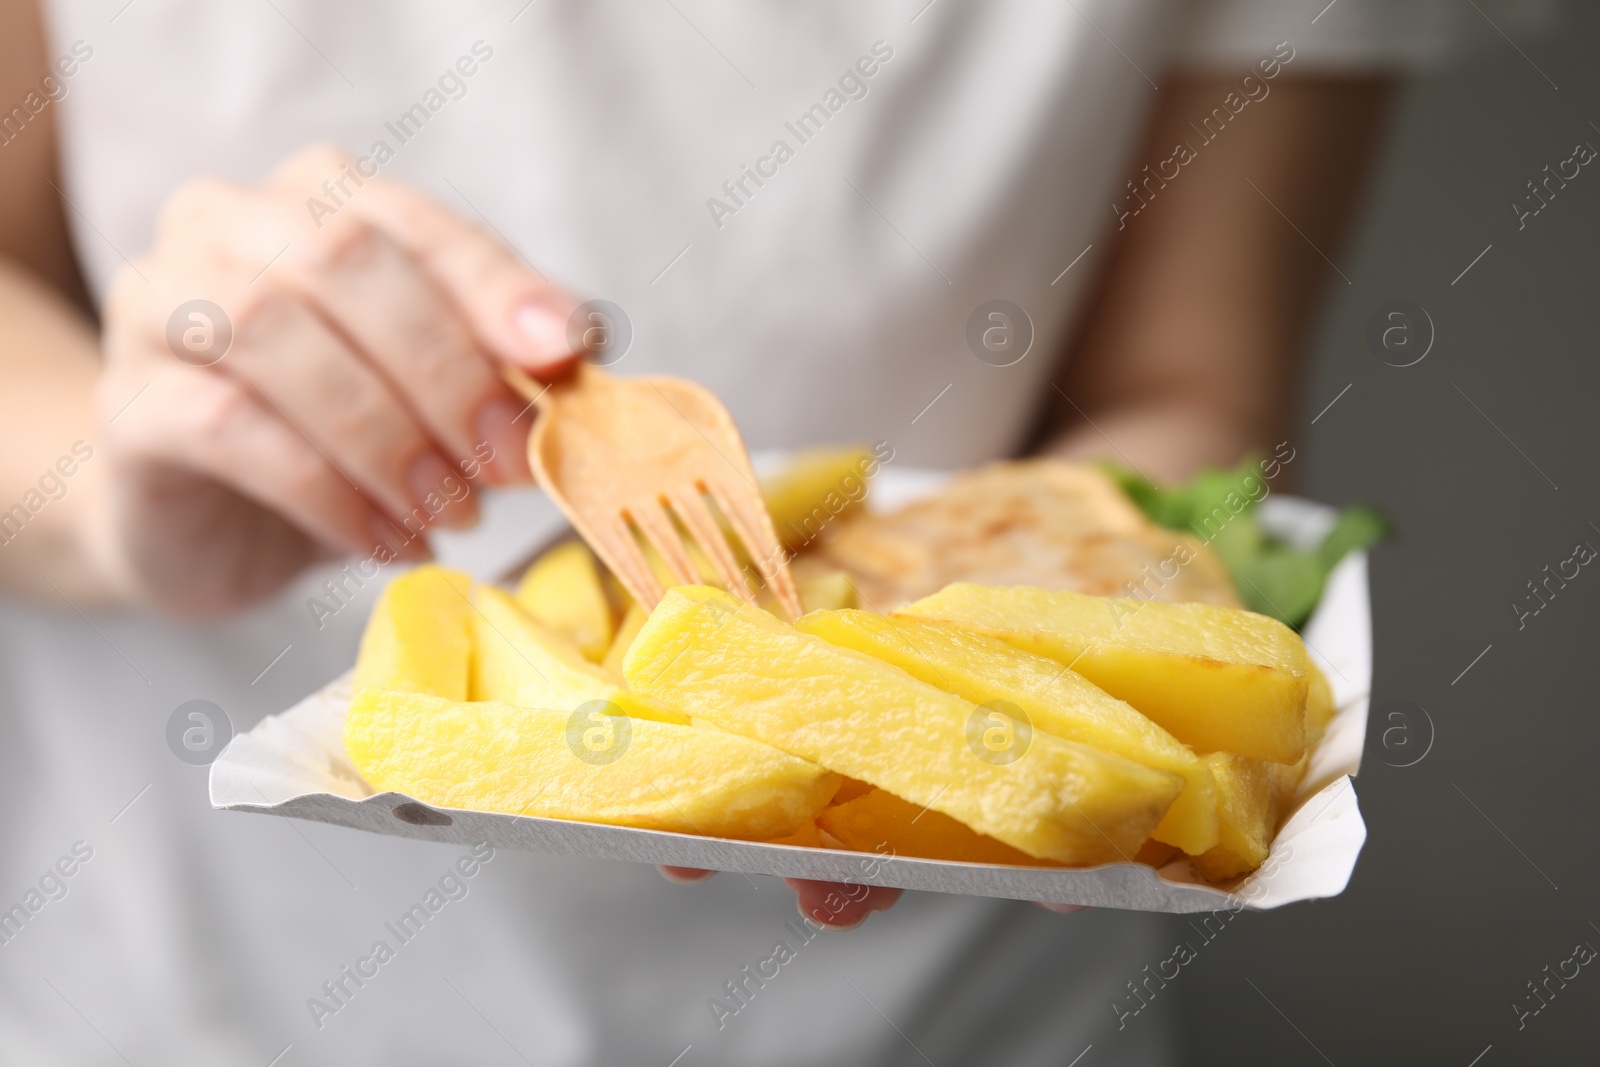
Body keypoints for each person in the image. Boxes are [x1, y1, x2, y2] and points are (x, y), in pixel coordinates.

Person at [0, 0, 1548, 1063]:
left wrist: (941, 713)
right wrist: (112, 511)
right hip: (179, 990)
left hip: (965, 1012)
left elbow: (1191, 384)